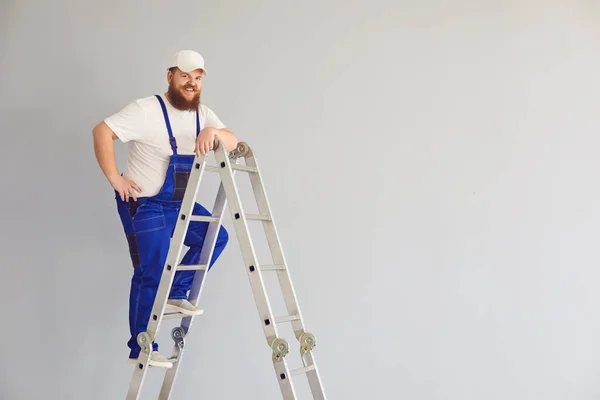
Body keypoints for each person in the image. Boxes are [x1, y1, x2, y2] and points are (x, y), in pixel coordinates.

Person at [92, 50, 239, 368]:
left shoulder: (203, 114)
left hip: (180, 204)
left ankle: (177, 289)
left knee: (217, 237)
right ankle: (142, 346)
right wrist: (115, 178)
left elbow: (231, 140)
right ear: (170, 76)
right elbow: (102, 131)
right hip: (144, 205)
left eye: (198, 78)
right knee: (149, 272)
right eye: (185, 76)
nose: (192, 83)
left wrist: (214, 132)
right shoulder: (146, 109)